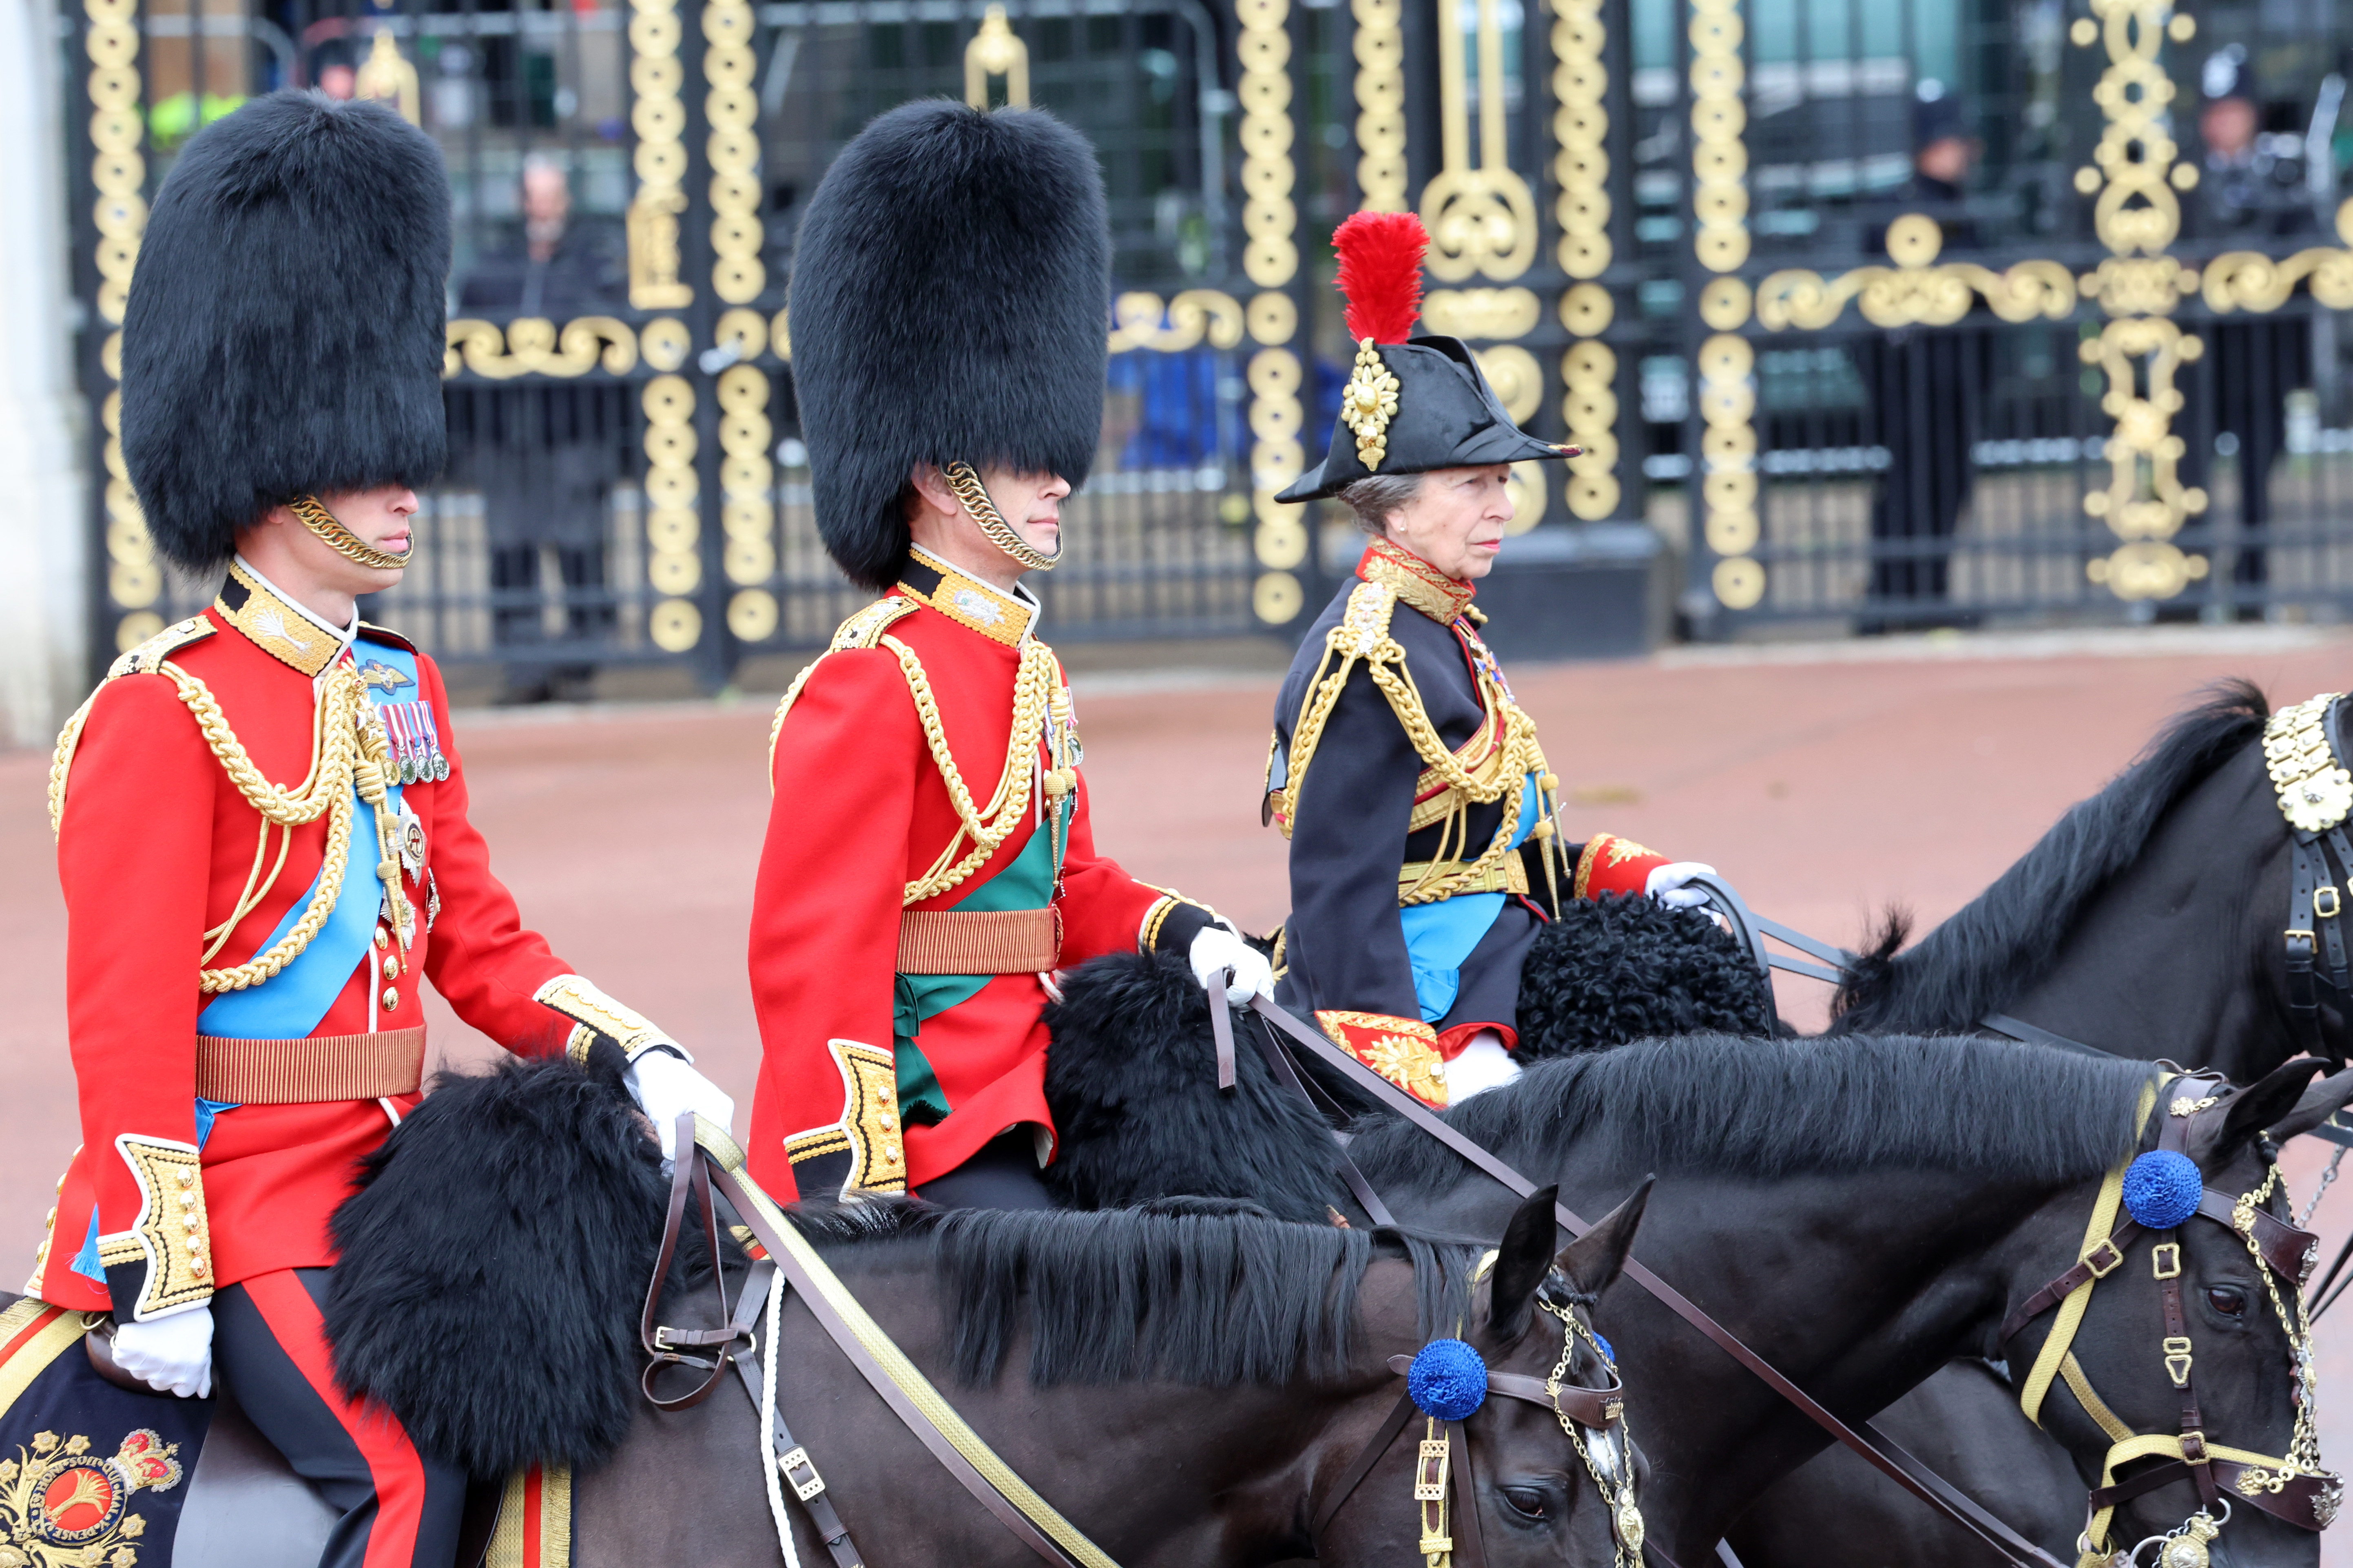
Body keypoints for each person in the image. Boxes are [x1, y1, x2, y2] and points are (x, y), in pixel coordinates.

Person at [26, 93, 733, 1568]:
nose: (411, 482)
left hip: (397, 1176)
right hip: (244, 1206)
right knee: (393, 1471)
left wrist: (630, 1047)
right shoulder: (164, 710)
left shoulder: (396, 686)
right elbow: (128, 1020)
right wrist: (162, 1267)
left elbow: (475, 936)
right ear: (274, 456)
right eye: (370, 456)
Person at [748, 101, 1268, 1210]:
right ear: (935, 474)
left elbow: (1066, 887)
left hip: (1046, 1084)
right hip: (936, 1124)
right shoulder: (871, 681)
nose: (1060, 477)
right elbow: (818, 961)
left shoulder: (1031, 667)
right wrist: (853, 1180)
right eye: (1025, 455)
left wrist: (1186, 932)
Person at [1262, 210, 1715, 1108]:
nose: (1502, 504)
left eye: (1504, 481)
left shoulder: (1440, 623)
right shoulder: (1368, 656)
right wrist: (1418, 1096)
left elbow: (1495, 850)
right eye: (1473, 484)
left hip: (1504, 968)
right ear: (1391, 511)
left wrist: (1640, 877)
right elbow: (1342, 909)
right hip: (1433, 1018)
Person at [454, 154, 629, 696]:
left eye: (554, 196)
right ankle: (523, 666)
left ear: (566, 202)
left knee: (580, 548)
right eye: (536, 196)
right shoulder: (491, 270)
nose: (545, 207)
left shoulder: (593, 266)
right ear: (521, 202)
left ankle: (581, 660)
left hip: (574, 432)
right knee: (511, 550)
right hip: (508, 438)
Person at [2176, 46, 2318, 610]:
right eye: (2213, 112)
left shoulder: (2283, 173)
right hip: (2198, 354)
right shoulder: (2181, 183)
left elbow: (2309, 253)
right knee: (2188, 474)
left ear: (2252, 113)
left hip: (2264, 352)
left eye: (2233, 110)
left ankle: (2250, 586)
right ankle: (2183, 589)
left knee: (2259, 472)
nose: (2223, 123)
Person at [1857, 84, 1993, 629]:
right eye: (1949, 142)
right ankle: (1894, 597)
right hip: (1910, 377)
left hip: (1953, 378)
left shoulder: (1961, 207)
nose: (1958, 153)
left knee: (1944, 485)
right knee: (1911, 486)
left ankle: (1927, 592)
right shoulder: (1901, 208)